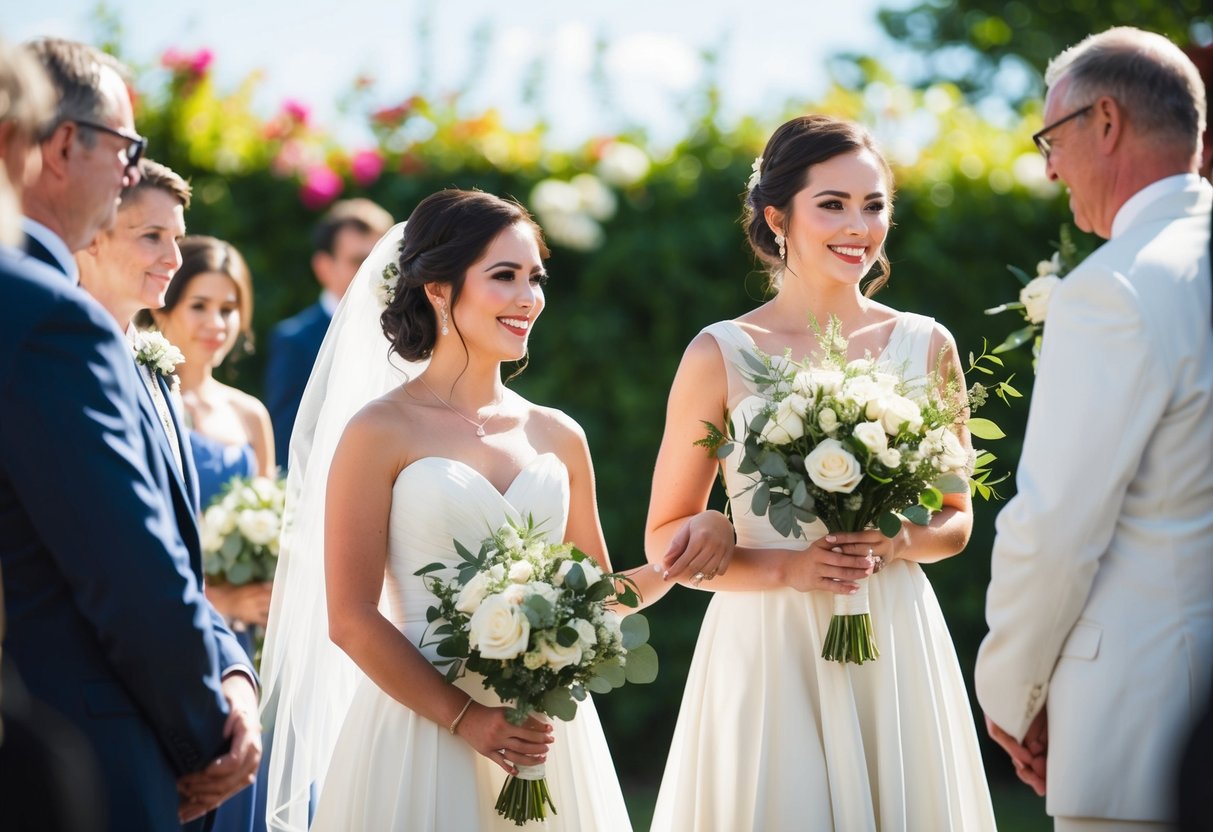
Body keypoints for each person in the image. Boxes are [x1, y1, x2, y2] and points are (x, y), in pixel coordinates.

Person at [259, 189, 671, 831]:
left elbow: (596, 598)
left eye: (535, 277)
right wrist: (467, 719)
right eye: (503, 276)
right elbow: (350, 618)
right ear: (438, 289)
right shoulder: (379, 431)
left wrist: (675, 562)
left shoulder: (559, 436)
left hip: (543, 732)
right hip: (423, 729)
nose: (528, 297)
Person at [645, 115, 996, 831]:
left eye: (873, 205)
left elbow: (955, 518)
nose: (857, 225)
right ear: (777, 217)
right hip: (768, 642)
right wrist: (744, 545)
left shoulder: (926, 344)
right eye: (831, 204)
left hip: (890, 629)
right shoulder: (720, 352)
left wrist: (895, 544)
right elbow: (664, 539)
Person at [0, 37, 252, 830]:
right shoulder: (48, 321)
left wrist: (234, 669)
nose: (129, 170)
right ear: (65, 143)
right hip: (66, 759)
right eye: (125, 147)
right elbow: (128, 569)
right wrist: (203, 739)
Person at [975, 27, 1213, 832]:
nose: (1047, 166)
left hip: (1144, 727)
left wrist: (1011, 694)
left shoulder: (1112, 289)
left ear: (1104, 122)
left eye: (1051, 138)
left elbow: (1056, 526)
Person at [77, 162, 265, 831]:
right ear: (92, 233)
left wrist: (239, 684)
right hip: (94, 717)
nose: (172, 257)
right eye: (152, 235)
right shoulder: (58, 357)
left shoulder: (157, 373)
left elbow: (172, 559)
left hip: (209, 691)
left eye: (176, 236)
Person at [142, 235, 277, 638]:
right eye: (199, 306)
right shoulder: (144, 400)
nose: (217, 324)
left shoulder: (251, 414)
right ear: (164, 306)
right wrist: (219, 601)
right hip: (166, 617)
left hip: (246, 630)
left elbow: (272, 523)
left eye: (229, 309)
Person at [265, 197, 393, 470]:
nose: (372, 272)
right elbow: (288, 443)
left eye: (381, 259)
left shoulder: (410, 334)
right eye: (358, 260)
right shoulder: (295, 341)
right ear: (324, 267)